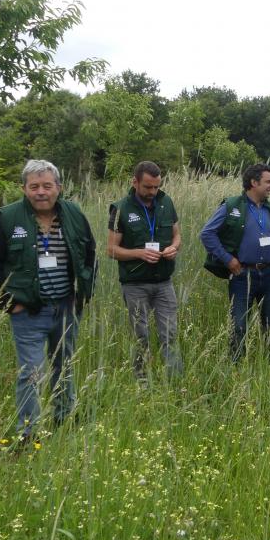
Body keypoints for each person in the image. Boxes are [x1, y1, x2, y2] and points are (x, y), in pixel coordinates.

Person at [0, 159, 97, 444]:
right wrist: (8, 304)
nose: (41, 192)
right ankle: (28, 433)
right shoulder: (7, 219)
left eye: (47, 185)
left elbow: (90, 253)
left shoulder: (74, 214)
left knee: (64, 365)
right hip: (28, 312)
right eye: (34, 186)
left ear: (59, 187)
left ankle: (64, 417)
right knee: (31, 373)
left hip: (67, 307)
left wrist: (84, 294)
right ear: (24, 189)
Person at [201, 163, 270, 360]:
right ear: (253, 182)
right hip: (242, 275)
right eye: (268, 182)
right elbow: (207, 234)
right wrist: (228, 260)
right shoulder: (232, 206)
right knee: (239, 326)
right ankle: (236, 369)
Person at [107, 161, 183, 382]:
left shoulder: (166, 202)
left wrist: (173, 248)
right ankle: (142, 382)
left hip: (164, 282)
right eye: (147, 187)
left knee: (169, 333)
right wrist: (139, 253)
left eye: (156, 187)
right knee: (141, 335)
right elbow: (111, 249)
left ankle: (175, 382)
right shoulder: (120, 208)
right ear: (135, 182)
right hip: (135, 284)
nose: (152, 192)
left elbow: (177, 235)